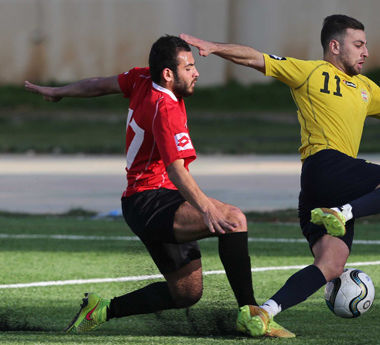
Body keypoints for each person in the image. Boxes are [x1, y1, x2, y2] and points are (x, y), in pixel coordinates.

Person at [180, 13, 380, 337]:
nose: (365, 52)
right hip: (327, 164)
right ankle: (344, 212)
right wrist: (214, 47)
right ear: (334, 46)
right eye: (358, 44)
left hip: (319, 188)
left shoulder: (366, 88)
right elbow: (256, 59)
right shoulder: (310, 72)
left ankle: (263, 313)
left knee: (332, 264)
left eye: (366, 46)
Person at [24, 35, 294, 338]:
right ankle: (251, 314)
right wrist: (207, 209)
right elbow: (176, 170)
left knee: (187, 293)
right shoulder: (165, 109)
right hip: (150, 202)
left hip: (148, 202)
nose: (196, 73)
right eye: (189, 67)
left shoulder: (142, 78)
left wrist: (58, 92)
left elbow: (99, 84)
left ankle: (100, 310)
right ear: (168, 74)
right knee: (233, 219)